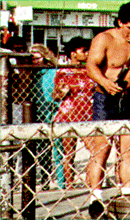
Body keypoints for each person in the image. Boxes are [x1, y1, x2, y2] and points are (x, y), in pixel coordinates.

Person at [86, 2, 130, 218]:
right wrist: (105, 82)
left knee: (129, 152)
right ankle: (95, 199)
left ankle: (128, 196)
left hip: (129, 100)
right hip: (105, 99)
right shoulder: (104, 39)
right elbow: (91, 66)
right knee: (101, 150)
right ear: (119, 22)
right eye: (129, 28)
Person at [53, 37, 95, 189]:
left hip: (87, 114)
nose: (87, 53)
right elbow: (55, 96)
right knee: (69, 154)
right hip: (68, 115)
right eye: (83, 51)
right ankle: (69, 185)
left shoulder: (89, 70)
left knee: (94, 150)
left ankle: (91, 182)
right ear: (73, 53)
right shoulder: (63, 72)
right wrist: (61, 91)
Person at [29, 44, 65, 190]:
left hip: (54, 112)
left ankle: (62, 182)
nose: (34, 61)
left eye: (37, 57)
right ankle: (44, 180)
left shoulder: (54, 72)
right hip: (38, 114)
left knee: (58, 149)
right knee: (42, 149)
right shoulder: (31, 74)